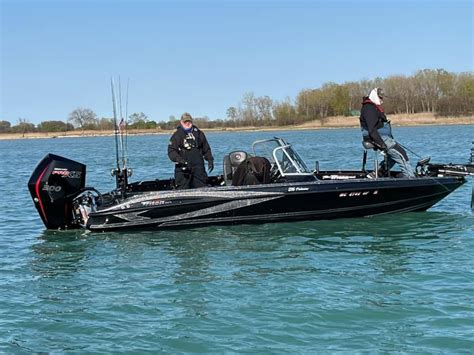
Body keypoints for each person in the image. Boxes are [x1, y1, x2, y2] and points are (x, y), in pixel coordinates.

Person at [360, 88, 415, 178]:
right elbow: (372, 129)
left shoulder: (373, 107)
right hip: (377, 137)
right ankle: (410, 178)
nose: (382, 101)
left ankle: (377, 174)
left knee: (392, 157)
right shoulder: (369, 108)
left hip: (382, 137)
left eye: (382, 98)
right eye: (380, 98)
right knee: (401, 154)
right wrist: (381, 144)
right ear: (375, 96)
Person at [168, 112, 214, 189]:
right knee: (183, 190)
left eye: (189, 121)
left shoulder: (199, 134)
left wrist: (210, 160)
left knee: (202, 189)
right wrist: (180, 160)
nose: (187, 123)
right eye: (185, 122)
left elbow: (206, 148)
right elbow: (171, 151)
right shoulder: (176, 135)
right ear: (181, 122)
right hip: (183, 169)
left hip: (198, 169)